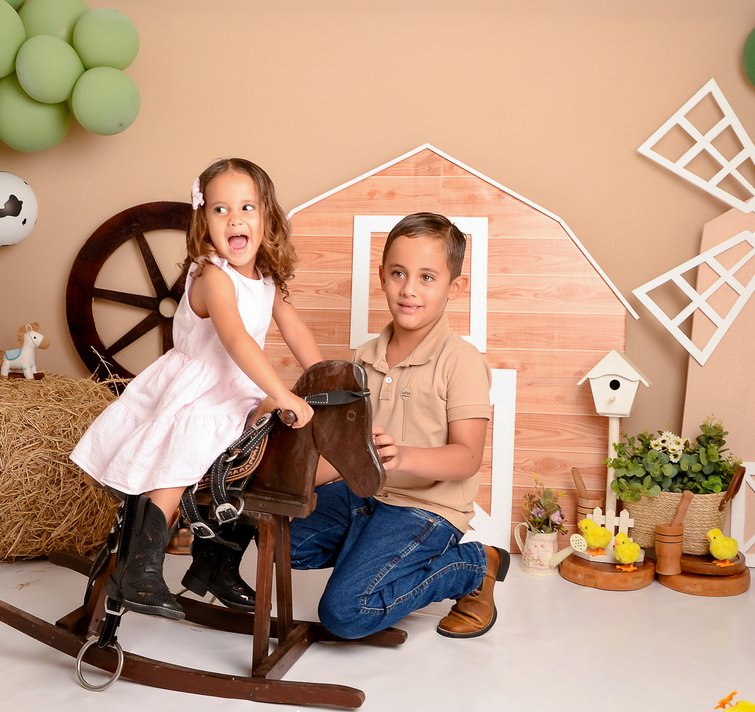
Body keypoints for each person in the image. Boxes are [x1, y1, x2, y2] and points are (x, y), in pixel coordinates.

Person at [70, 158, 320, 620]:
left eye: (247, 207)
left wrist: (326, 377)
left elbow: (296, 330)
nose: (236, 219)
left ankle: (216, 562)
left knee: (271, 446)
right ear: (203, 220)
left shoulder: (266, 277)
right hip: (200, 387)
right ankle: (139, 568)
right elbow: (235, 339)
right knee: (183, 453)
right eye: (221, 210)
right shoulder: (211, 275)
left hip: (239, 388)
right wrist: (283, 393)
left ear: (268, 216)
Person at [289, 212, 510, 640]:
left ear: (454, 287)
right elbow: (342, 450)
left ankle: (473, 565)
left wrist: (402, 456)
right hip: (366, 493)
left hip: (425, 508)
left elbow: (466, 457)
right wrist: (295, 482)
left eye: (427, 277)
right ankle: (373, 555)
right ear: (382, 276)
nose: (409, 289)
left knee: (346, 613)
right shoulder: (363, 357)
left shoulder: (460, 361)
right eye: (398, 274)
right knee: (283, 540)